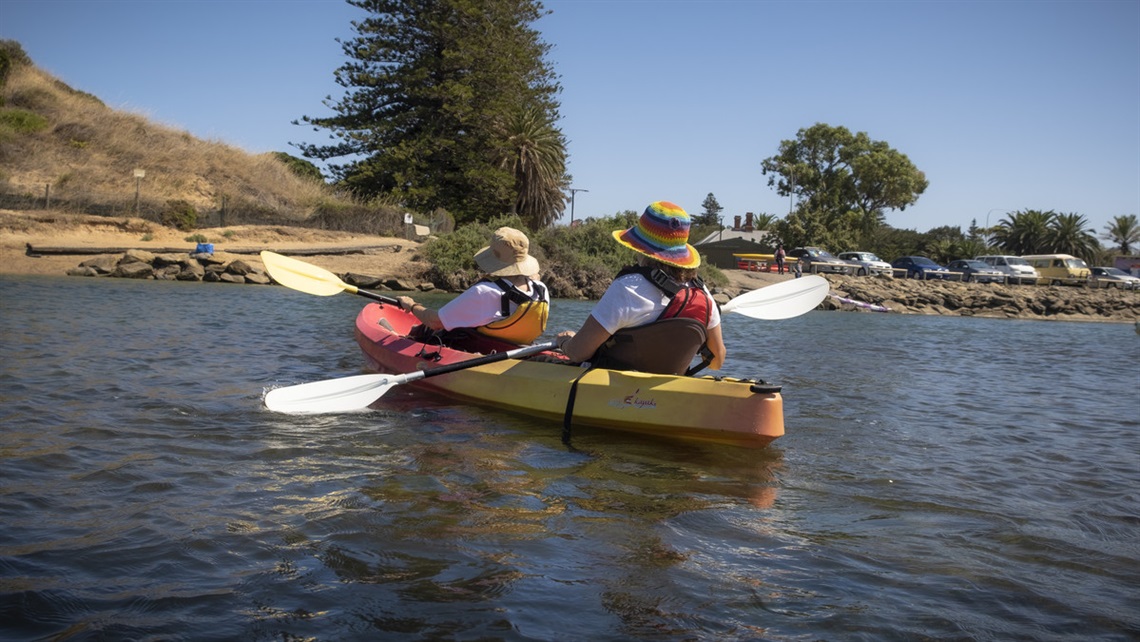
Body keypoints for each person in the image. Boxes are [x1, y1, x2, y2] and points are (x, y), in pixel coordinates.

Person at [555, 201, 726, 375]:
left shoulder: (628, 287)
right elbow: (716, 361)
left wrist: (565, 342)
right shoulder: (702, 293)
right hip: (668, 389)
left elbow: (578, 353)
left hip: (613, 391)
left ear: (640, 246)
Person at [396, 227, 549, 349]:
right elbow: (534, 278)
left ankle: (407, 336)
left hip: (481, 350)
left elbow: (436, 321)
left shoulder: (484, 292)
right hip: (517, 348)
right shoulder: (541, 290)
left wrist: (411, 305)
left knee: (430, 328)